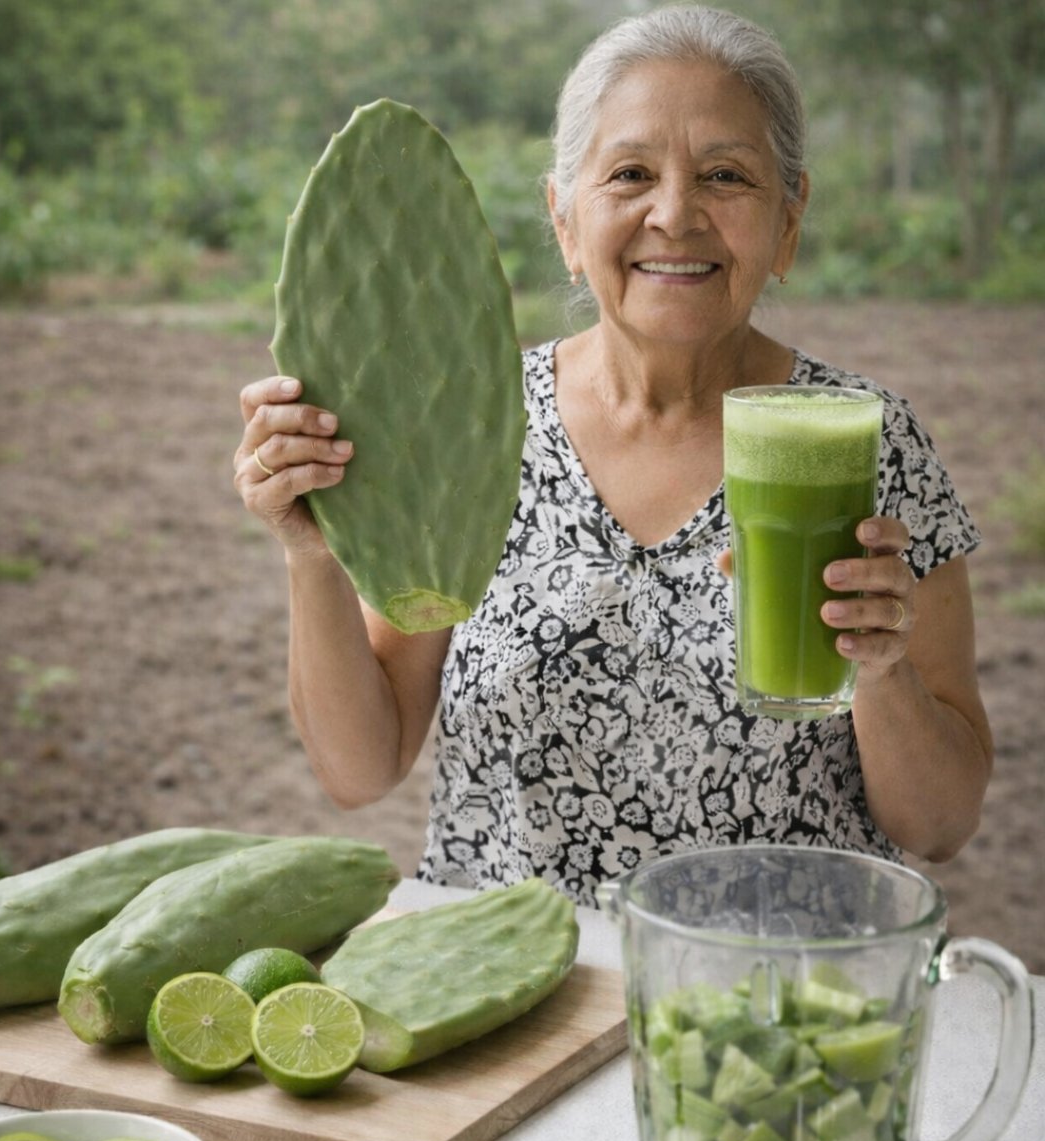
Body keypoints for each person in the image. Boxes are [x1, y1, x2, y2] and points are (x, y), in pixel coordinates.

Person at [233, 4, 992, 905]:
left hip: (773, 1005)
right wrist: (312, 554)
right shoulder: (475, 422)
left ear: (789, 220)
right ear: (564, 218)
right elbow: (361, 767)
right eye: (630, 173)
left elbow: (940, 827)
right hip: (513, 998)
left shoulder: (864, 440)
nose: (675, 215)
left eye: (726, 175)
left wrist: (882, 670)